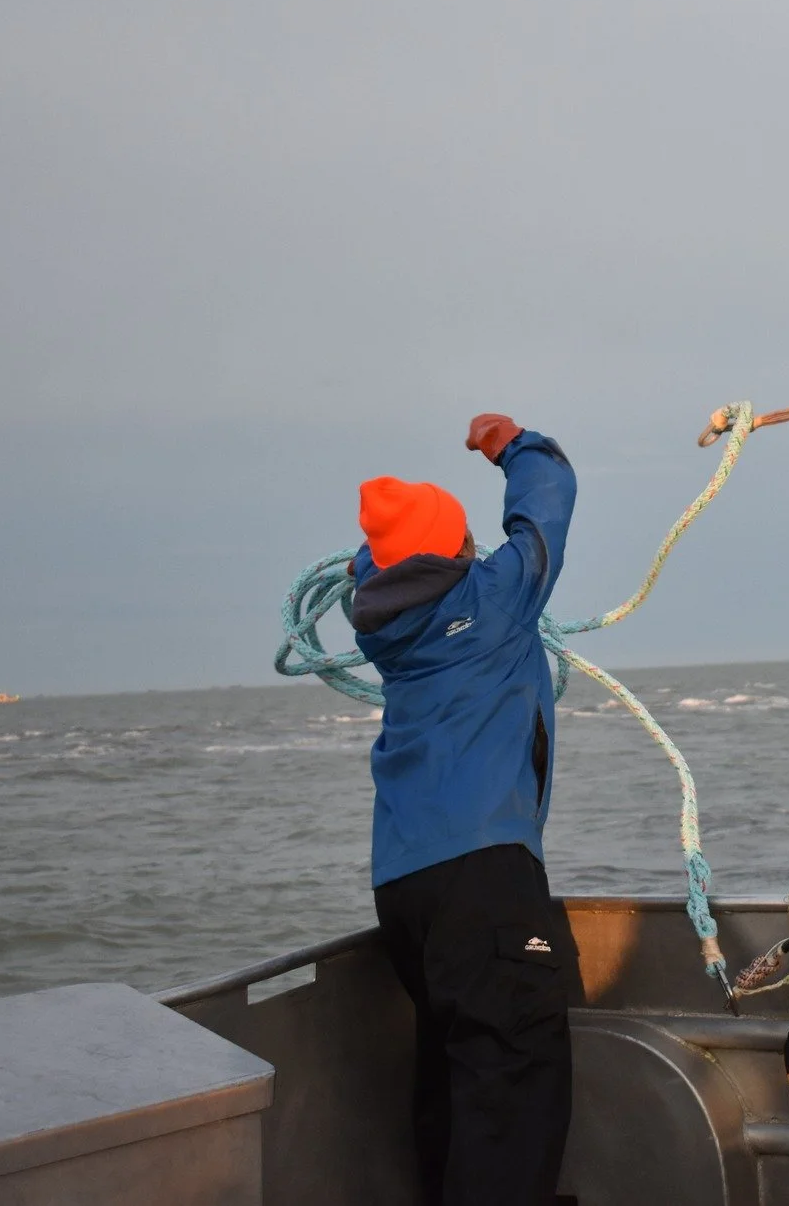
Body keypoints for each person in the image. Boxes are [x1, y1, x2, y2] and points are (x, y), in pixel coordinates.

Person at [349, 412, 578, 1206]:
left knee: (455, 1079)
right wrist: (514, 442)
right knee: (513, 1082)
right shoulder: (494, 597)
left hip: (406, 889)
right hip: (484, 877)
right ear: (456, 554)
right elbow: (548, 498)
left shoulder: (382, 627)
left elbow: (382, 566)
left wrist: (399, 540)